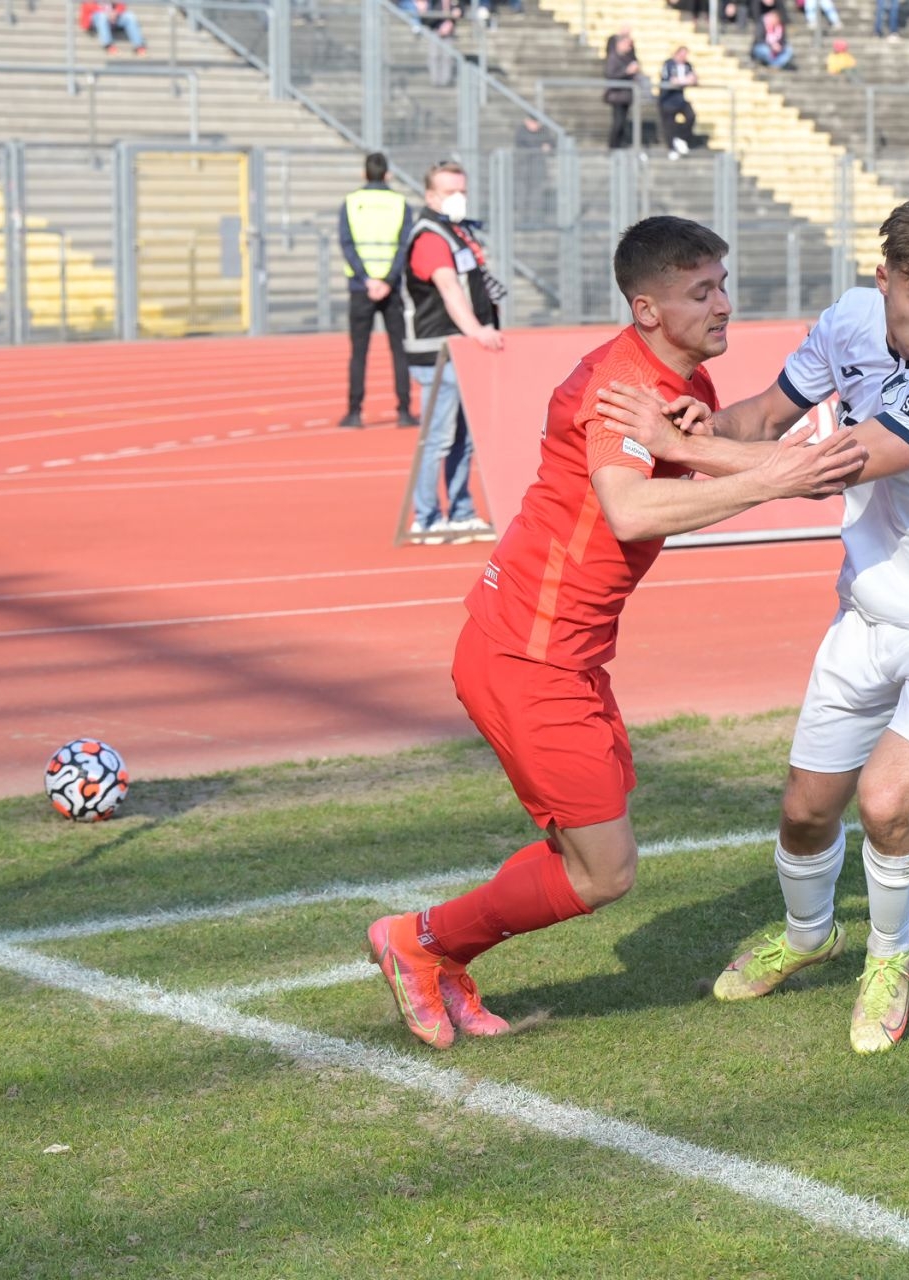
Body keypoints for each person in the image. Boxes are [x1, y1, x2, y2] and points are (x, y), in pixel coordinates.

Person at [364, 218, 866, 1049]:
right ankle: (417, 942)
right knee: (605, 872)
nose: (723, 303)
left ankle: (435, 952)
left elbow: (722, 450)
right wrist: (781, 475)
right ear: (646, 308)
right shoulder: (617, 386)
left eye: (722, 283)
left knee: (586, 852)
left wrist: (795, 456)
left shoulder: (680, 391)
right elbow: (631, 507)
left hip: (562, 652)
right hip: (529, 652)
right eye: (700, 291)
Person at [679, 190, 909, 1055]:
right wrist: (680, 428)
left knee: (884, 802)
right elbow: (765, 419)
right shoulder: (846, 322)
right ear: (884, 280)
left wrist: (685, 452)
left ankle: (888, 957)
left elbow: (832, 465)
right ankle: (809, 937)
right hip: (869, 608)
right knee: (805, 813)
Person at [399, 162, 500, 543]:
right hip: (439, 352)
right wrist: (476, 330)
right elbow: (449, 288)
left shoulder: (456, 232)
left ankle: (460, 511)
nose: (458, 198)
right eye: (448, 192)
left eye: (462, 190)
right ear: (430, 196)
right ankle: (426, 517)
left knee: (464, 438)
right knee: (438, 437)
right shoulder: (429, 236)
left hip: (463, 352)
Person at [337, 153, 416, 430]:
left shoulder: (351, 202)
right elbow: (404, 246)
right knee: (399, 351)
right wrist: (387, 279)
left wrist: (367, 279)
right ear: (387, 174)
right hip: (391, 288)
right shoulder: (399, 203)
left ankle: (354, 412)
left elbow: (347, 244)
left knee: (359, 353)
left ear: (364, 174)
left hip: (361, 288)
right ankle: (404, 411)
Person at [659, 45, 698, 157]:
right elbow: (670, 80)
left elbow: (693, 78)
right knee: (669, 125)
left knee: (691, 116)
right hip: (667, 100)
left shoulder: (687, 65)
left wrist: (686, 80)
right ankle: (672, 149)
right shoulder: (668, 64)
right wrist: (685, 80)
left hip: (680, 99)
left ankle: (681, 138)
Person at [604, 29, 640, 149]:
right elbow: (610, 75)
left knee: (622, 123)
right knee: (618, 123)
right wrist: (627, 71)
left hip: (626, 96)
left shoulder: (628, 57)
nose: (629, 47)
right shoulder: (613, 57)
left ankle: (618, 145)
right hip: (617, 96)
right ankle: (613, 146)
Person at [78, 0, 146, 53]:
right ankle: (108, 45)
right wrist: (107, 13)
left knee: (130, 16)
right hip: (97, 18)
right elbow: (89, 7)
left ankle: (139, 46)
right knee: (102, 16)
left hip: (113, 17)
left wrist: (116, 12)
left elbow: (121, 5)